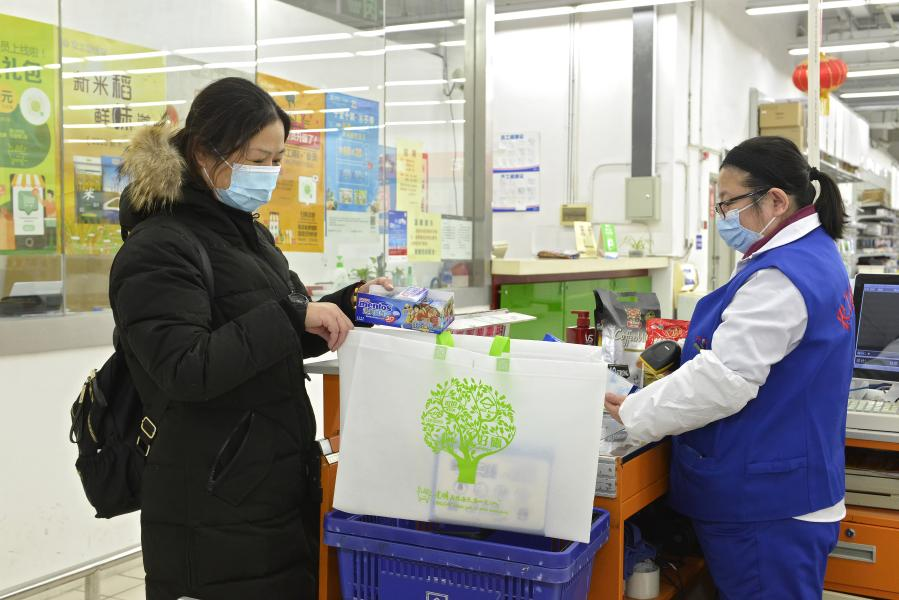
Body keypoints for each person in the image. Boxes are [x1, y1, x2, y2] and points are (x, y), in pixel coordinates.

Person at [110, 77, 389, 600]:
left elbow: (280, 334)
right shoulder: (158, 248)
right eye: (258, 160)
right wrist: (290, 316)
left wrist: (352, 305)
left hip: (271, 485)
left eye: (276, 160)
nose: (269, 173)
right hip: (211, 498)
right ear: (203, 152)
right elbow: (185, 369)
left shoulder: (248, 235)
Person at [605, 136, 855, 600]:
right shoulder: (811, 254)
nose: (722, 216)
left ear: (776, 200)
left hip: (767, 503)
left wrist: (635, 411)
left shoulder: (780, 277)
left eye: (727, 203)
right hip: (785, 489)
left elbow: (725, 379)